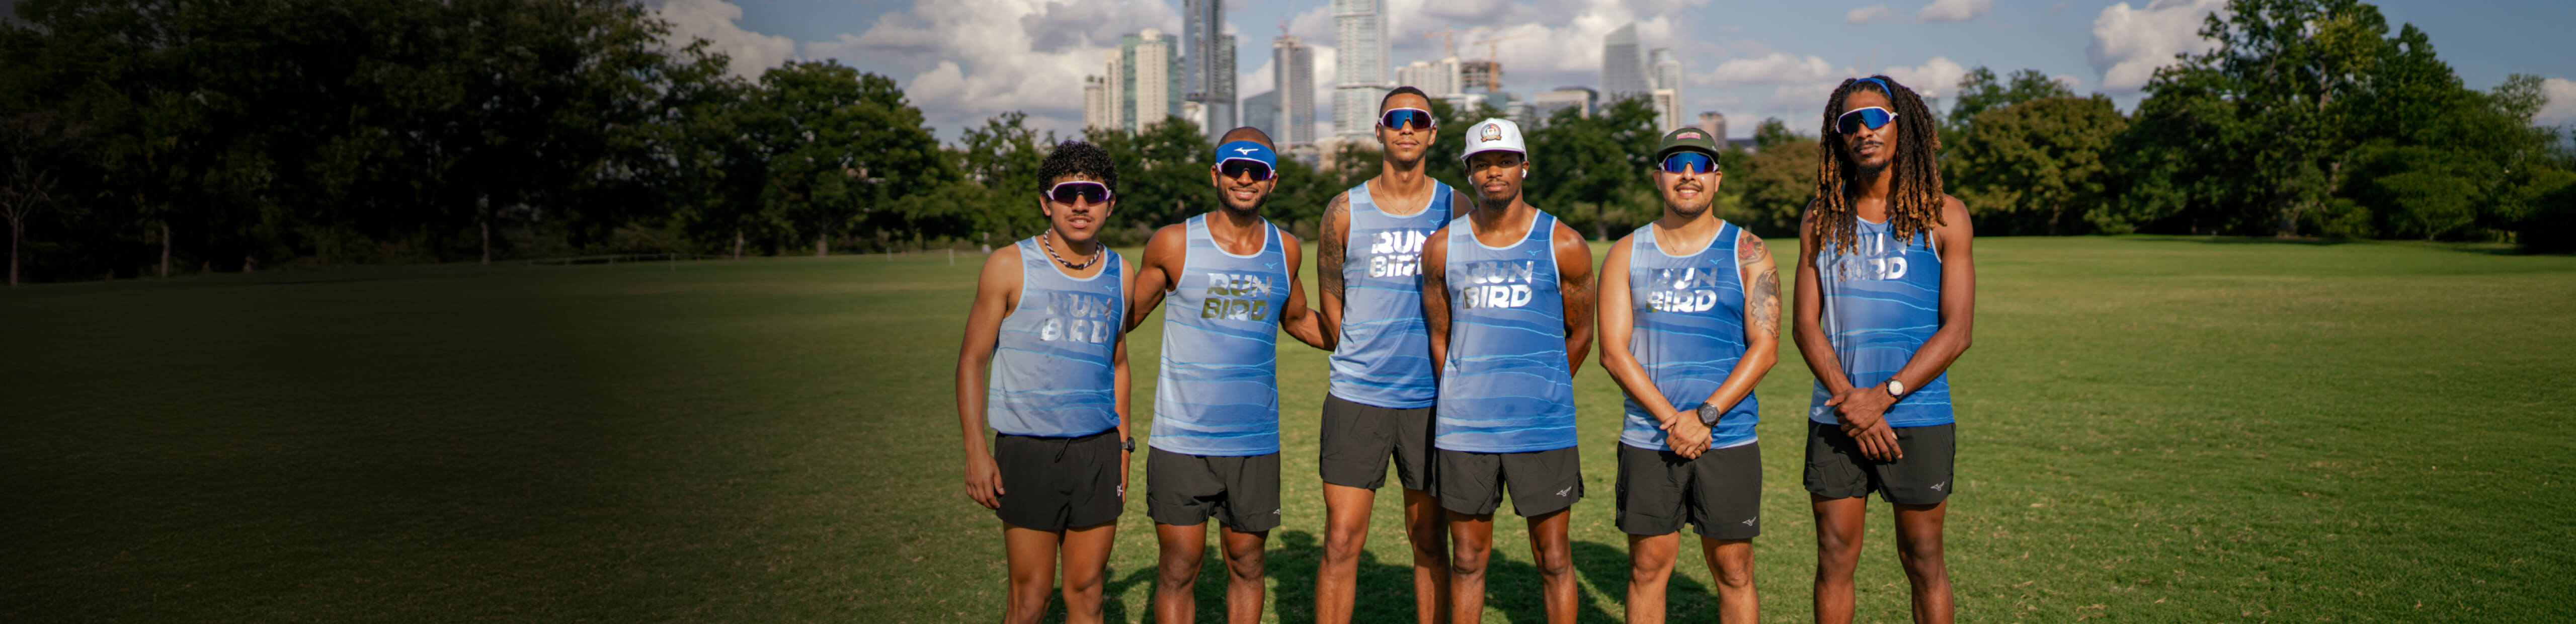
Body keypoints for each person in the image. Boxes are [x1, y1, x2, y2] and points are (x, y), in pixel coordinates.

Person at [1126, 127, 1330, 624]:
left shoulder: (1285, 249)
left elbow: (1299, 319)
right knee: (1179, 566)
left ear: (1271, 181)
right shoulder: (1173, 243)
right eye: (1234, 169)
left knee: (1247, 563)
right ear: (1215, 174)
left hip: (1253, 442)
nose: (1244, 178)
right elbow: (1123, 319)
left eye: (1255, 171)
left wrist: (1375, 337)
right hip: (1181, 441)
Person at [1794, 75, 1976, 624]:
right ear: (1837, 138)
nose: (1864, 131)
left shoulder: (1945, 215)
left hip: (1916, 414)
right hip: (1837, 415)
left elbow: (1957, 330)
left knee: (1922, 559)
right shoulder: (1819, 218)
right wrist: (1853, 401)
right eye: (1850, 123)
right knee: (1833, 558)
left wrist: (1886, 395)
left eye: (1876, 119)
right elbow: (1806, 324)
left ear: (1904, 128)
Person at [1597, 127, 1780, 624]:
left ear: (1715, 179)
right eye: (1676, 163)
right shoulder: (1625, 253)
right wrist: (1672, 421)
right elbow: (1613, 352)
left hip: (1727, 436)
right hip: (1650, 437)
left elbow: (1764, 348)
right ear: (1658, 177)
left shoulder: (1748, 250)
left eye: (1699, 165)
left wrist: (1704, 416)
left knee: (1734, 569)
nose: (1687, 174)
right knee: (1646, 566)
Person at [1419, 118, 1594, 624]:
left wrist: (1546, 388)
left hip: (1542, 426)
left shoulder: (1562, 243)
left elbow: (1580, 332)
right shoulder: (1441, 248)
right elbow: (1439, 333)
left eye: (1504, 161)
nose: (1493, 172)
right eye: (1482, 163)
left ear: (1523, 166)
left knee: (1554, 559)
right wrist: (1457, 389)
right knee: (1468, 560)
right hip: (1465, 429)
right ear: (1469, 173)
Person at [953, 140, 1135, 624]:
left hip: (1097, 451)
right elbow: (971, 361)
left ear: (1109, 203)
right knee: (1030, 599)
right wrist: (976, 451)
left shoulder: (1123, 273)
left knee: (1088, 595)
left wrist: (1123, 447)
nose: (1080, 205)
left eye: (1092, 194)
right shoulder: (1009, 265)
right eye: (1068, 193)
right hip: (1027, 451)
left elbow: (1118, 364)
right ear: (1046, 202)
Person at [1311, 86, 1459, 624]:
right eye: (1395, 119)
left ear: (1431, 134)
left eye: (1417, 119)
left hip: (1430, 399)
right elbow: (1331, 303)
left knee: (1428, 539)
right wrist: (1363, 354)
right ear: (1378, 130)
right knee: (1342, 540)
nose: (1406, 128)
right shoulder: (1344, 210)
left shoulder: (1455, 206)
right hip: (1357, 398)